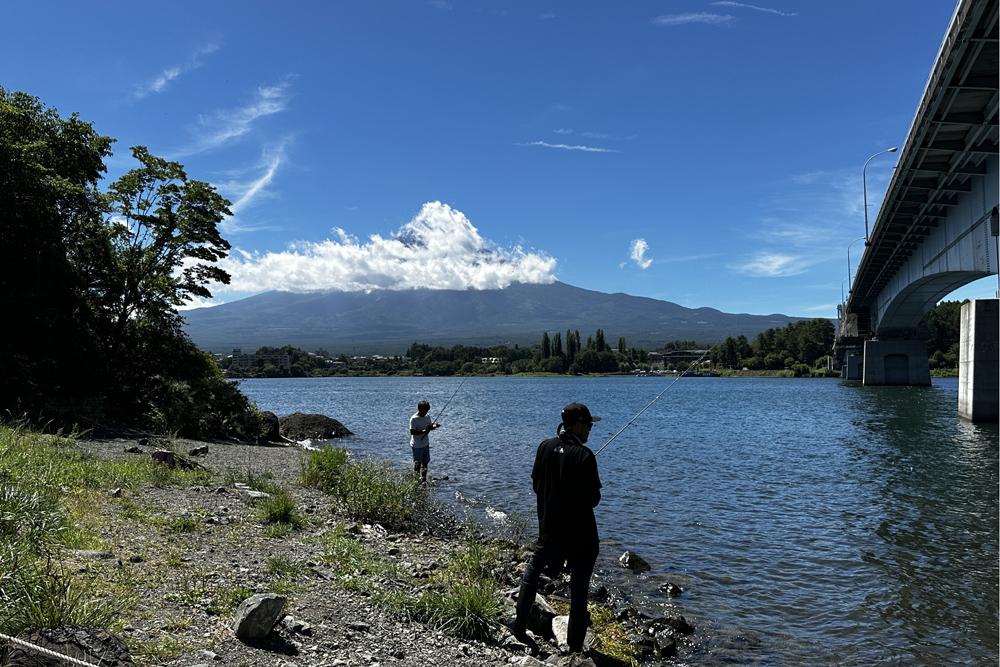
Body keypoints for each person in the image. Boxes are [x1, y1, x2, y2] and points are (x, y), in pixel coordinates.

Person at [511, 402, 602, 654]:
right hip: (581, 536)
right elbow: (593, 499)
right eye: (589, 425)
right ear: (578, 425)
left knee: (533, 570)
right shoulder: (585, 456)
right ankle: (574, 647)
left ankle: (519, 625)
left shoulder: (544, 447)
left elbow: (536, 484)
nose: (591, 430)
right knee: (579, 588)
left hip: (548, 529)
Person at [408, 399, 439, 483]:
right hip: (416, 445)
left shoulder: (427, 416)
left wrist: (435, 426)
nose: (426, 412)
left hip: (425, 444)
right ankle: (416, 480)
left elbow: (430, 426)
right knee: (417, 463)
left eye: (427, 411)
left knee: (425, 463)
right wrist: (424, 431)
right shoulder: (414, 419)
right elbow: (412, 432)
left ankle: (423, 479)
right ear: (420, 409)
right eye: (425, 411)